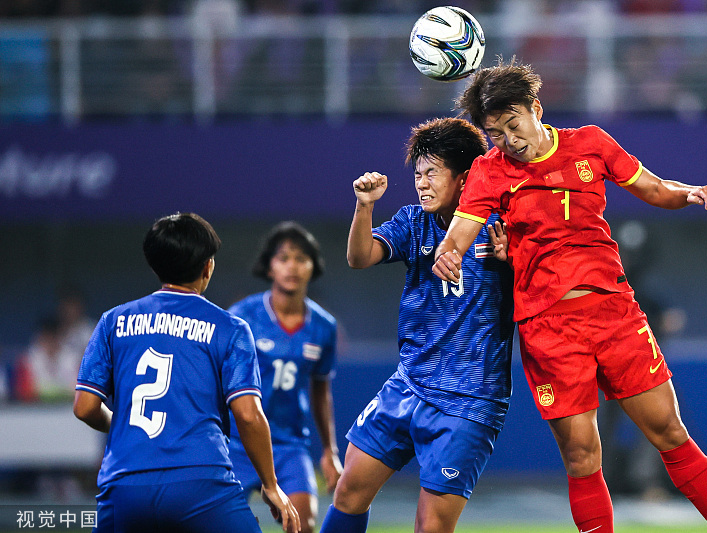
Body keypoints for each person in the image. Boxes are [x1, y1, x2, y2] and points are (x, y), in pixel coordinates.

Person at [432, 58, 707, 533]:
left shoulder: (590, 143)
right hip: (547, 329)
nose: (509, 140)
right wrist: (448, 252)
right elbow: (461, 229)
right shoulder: (488, 172)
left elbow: (655, 188)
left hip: (613, 312)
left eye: (514, 124)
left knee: (669, 431)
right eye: (496, 133)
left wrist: (689, 193)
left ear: (535, 108)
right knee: (581, 455)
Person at [319, 117, 515, 533]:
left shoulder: (502, 226)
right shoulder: (413, 222)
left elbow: (532, 297)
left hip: (469, 398)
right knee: (348, 489)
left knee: (431, 526)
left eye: (433, 173)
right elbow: (360, 257)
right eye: (418, 174)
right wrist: (364, 206)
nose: (422, 184)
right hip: (408, 384)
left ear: (464, 179)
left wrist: (512, 263)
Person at [73, 212, 300, 533]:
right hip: (202, 484)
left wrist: (120, 423)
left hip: (125, 485)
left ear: (155, 265)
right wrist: (271, 484)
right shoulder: (231, 328)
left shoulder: (113, 321)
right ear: (207, 266)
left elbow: (84, 407)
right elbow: (248, 415)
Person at [227, 221, 342, 533]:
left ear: (313, 267)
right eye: (284, 258)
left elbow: (321, 389)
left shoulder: (323, 326)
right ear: (269, 267)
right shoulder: (242, 317)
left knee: (304, 524)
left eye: (301, 258)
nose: (292, 266)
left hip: (290, 444)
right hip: (237, 442)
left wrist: (329, 451)